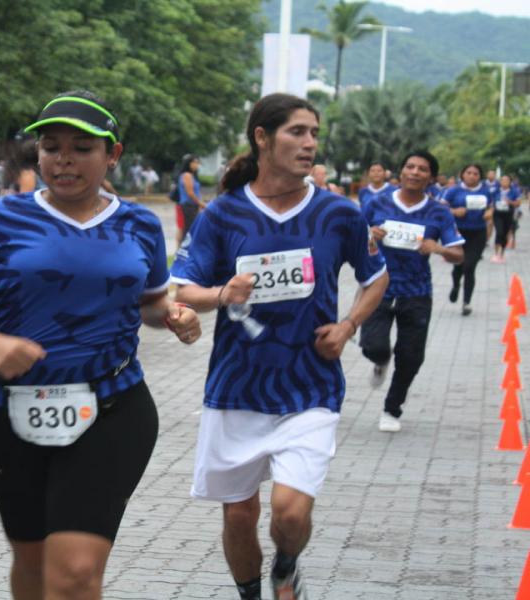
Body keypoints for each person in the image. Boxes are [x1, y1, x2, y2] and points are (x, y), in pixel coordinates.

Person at [0, 90, 201, 600]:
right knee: (32, 563)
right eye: (51, 147)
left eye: (81, 148)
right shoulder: (0, 219)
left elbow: (152, 305)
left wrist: (175, 317)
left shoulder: (138, 224)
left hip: (112, 409)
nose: (63, 159)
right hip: (2, 412)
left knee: (73, 574)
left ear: (111, 154)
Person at [171, 93, 388, 600]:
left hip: (309, 386)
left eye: (314, 132)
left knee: (290, 512)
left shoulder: (339, 213)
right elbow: (185, 289)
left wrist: (349, 324)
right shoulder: (224, 214)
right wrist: (223, 294)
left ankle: (286, 566)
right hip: (236, 388)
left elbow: (375, 277)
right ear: (262, 138)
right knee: (240, 516)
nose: (309, 142)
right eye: (296, 132)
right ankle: (250, 593)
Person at [360, 150, 464, 433]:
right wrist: (369, 233)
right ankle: (380, 361)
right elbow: (350, 235)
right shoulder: (376, 202)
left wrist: (438, 248)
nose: (415, 172)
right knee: (375, 346)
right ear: (401, 171)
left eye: (422, 169)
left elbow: (458, 254)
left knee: (411, 356)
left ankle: (392, 409)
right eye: (410, 167)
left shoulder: (438, 211)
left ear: (430, 177)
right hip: (378, 286)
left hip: (417, 291)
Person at [443, 163, 493, 316]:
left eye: (475, 173)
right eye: (469, 173)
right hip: (458, 233)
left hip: (478, 233)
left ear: (480, 176)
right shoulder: (454, 190)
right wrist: (453, 211)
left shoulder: (485, 191)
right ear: (462, 174)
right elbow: (441, 208)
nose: (472, 176)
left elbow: (491, 206)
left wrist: (489, 212)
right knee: (458, 265)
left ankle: (467, 302)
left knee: (469, 267)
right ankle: (456, 285)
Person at [173, 154, 204, 249]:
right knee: (188, 230)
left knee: (189, 229)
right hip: (188, 206)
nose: (197, 165)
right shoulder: (187, 175)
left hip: (192, 206)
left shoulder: (192, 175)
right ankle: (185, 250)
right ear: (189, 164)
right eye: (195, 162)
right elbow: (190, 193)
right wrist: (201, 204)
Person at [491, 174, 521, 263]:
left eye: (506, 180)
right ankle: (496, 253)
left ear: (509, 182)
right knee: (499, 232)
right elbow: (490, 201)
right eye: (502, 180)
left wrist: (510, 202)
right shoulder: (495, 191)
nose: (504, 182)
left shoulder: (514, 191)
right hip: (497, 214)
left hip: (508, 214)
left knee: (505, 234)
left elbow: (518, 203)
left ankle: (502, 254)